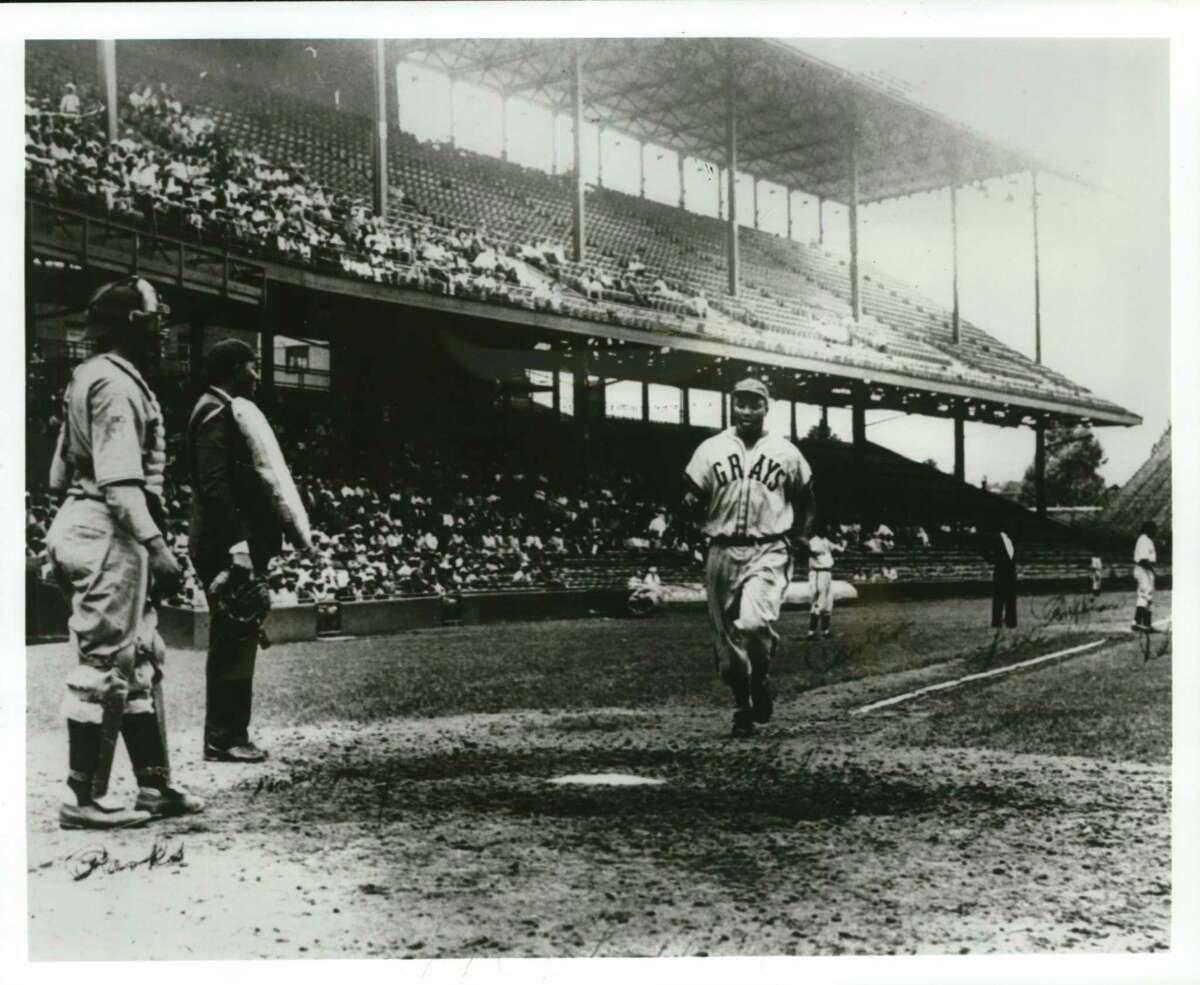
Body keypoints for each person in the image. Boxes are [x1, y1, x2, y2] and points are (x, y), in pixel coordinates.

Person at [45, 277, 204, 829]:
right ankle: (81, 798)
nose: (163, 329)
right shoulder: (115, 384)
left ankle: (154, 787)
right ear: (133, 323)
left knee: (137, 659)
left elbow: (56, 472)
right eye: (156, 317)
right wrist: (156, 547)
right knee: (103, 666)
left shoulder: (88, 376)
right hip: (109, 527)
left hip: (87, 520)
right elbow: (118, 483)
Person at [188, 339, 311, 763]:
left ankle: (226, 735)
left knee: (236, 637)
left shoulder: (218, 408)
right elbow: (215, 485)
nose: (258, 374)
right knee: (235, 640)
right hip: (227, 548)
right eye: (253, 365)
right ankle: (225, 738)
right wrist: (239, 548)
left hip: (228, 545)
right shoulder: (216, 411)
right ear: (234, 369)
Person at [683, 378, 814, 738]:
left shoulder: (785, 451)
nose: (746, 410)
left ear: (766, 408)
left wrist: (802, 533)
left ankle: (762, 677)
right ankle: (743, 705)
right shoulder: (710, 448)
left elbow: (807, 495)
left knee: (754, 624)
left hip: (768, 547)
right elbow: (691, 490)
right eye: (740, 403)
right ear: (732, 406)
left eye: (754, 404)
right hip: (721, 548)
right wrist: (689, 504)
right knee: (725, 642)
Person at [806, 521, 842, 639]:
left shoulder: (825, 540)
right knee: (818, 601)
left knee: (828, 602)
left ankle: (825, 631)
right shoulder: (813, 541)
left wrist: (841, 543)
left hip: (827, 573)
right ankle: (811, 632)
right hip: (817, 573)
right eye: (827, 527)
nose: (828, 529)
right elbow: (813, 551)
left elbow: (839, 549)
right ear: (820, 529)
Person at [985, 524, 1018, 630]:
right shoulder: (995, 538)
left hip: (1010, 573)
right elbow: (983, 549)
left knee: (1011, 598)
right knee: (999, 598)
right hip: (1000, 572)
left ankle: (1011, 621)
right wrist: (992, 560)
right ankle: (996, 621)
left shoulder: (1011, 539)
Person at [1131, 521, 1158, 632]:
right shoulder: (1143, 540)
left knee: (1148, 594)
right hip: (1143, 569)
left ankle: (1147, 624)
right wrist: (1151, 569)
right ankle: (1137, 622)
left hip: (1146, 569)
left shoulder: (1148, 540)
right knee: (1145, 593)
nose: (1156, 531)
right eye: (1154, 529)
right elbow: (1142, 559)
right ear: (1148, 529)